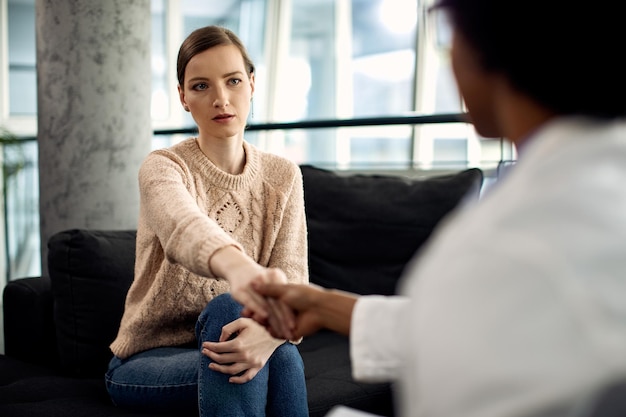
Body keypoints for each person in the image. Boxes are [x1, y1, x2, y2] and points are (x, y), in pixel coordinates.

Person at [245, 1, 626, 416]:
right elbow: (490, 326)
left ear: (483, 48)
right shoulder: (590, 191)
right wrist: (324, 304)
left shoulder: (512, 242)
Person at [105, 25, 309, 417]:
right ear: (183, 97)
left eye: (233, 81)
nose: (221, 99)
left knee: (277, 354)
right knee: (233, 307)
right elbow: (184, 228)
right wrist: (240, 269)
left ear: (251, 83)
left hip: (225, 347)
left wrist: (270, 335)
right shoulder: (164, 167)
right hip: (146, 361)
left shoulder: (283, 176)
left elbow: (293, 282)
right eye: (200, 86)